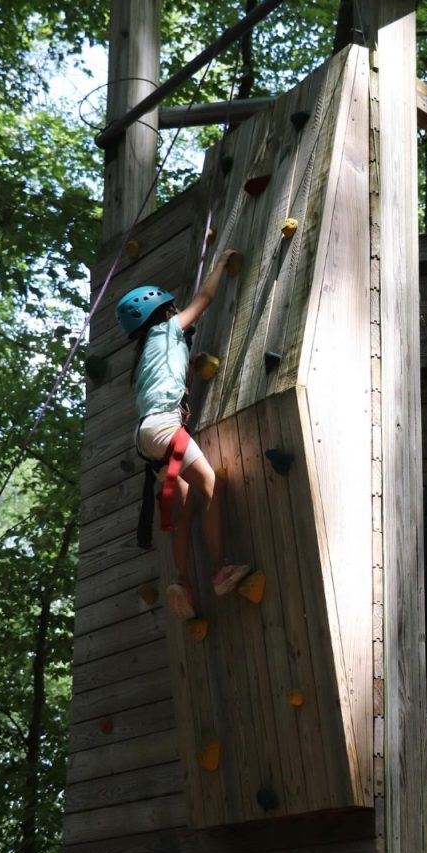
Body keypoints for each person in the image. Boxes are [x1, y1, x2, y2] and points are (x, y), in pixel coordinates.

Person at [115, 249, 251, 619]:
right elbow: (204, 298)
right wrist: (219, 265)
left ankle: (182, 581)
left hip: (145, 436)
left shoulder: (146, 354)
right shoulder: (168, 329)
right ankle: (220, 569)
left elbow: (171, 379)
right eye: (173, 310)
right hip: (164, 427)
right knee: (211, 484)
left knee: (187, 502)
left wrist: (190, 366)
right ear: (164, 312)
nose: (178, 314)